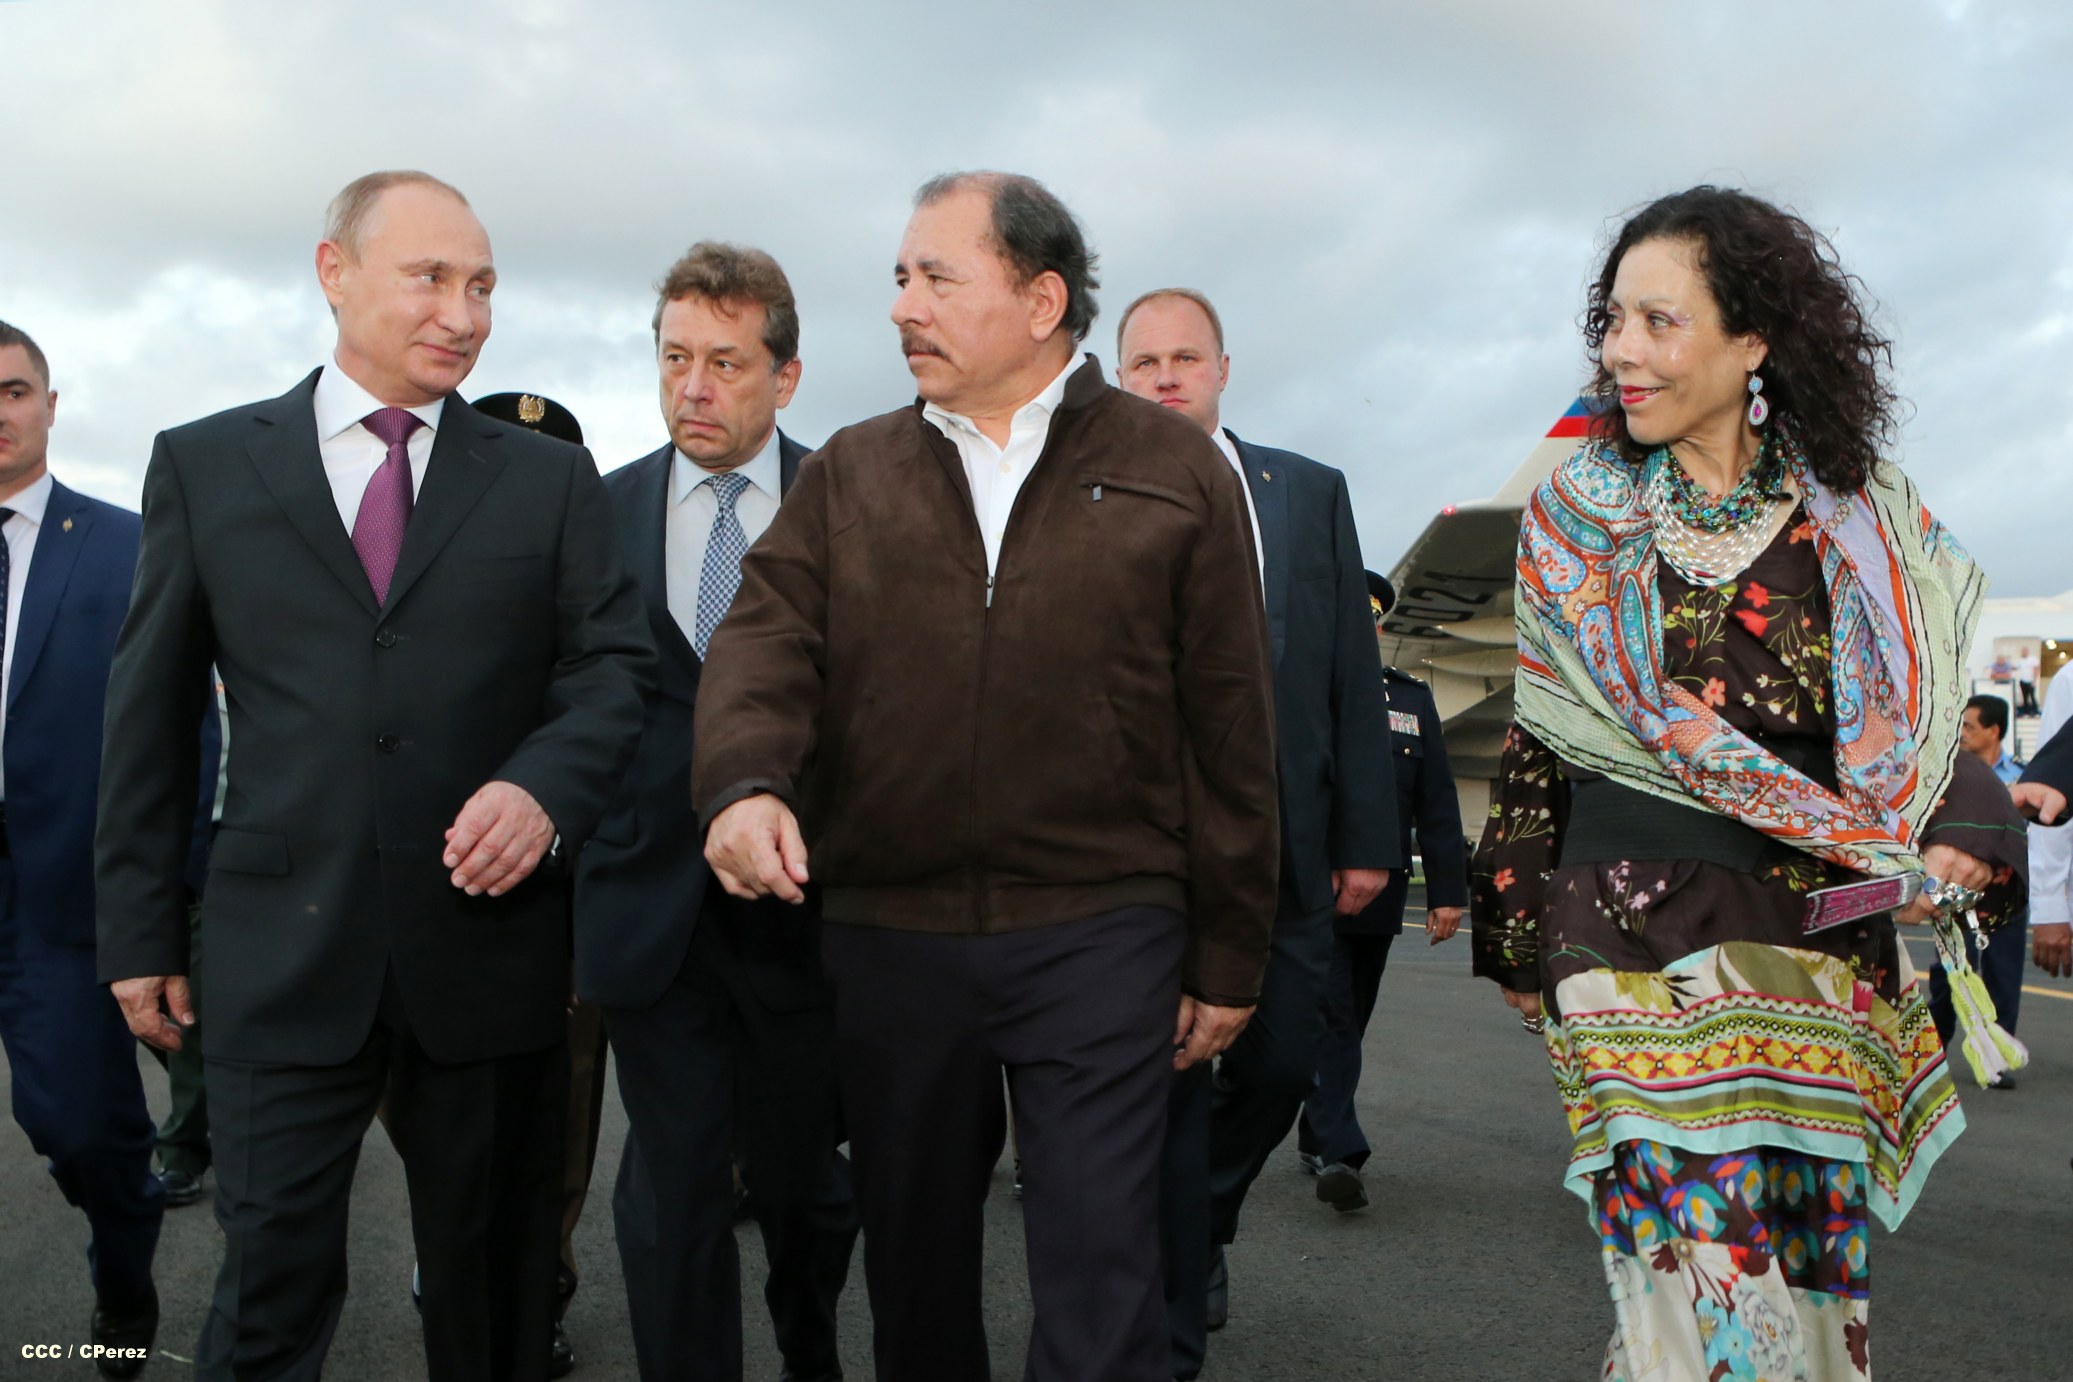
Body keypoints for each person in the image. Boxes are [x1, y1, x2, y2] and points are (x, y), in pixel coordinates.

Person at [693, 171, 1280, 1382]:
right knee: (914, 1275)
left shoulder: (1175, 467)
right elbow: (764, 641)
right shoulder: (851, 472)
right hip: (891, 932)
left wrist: (1229, 952)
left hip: (1102, 923)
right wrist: (744, 781)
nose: (903, 305)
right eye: (900, 278)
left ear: (1041, 299)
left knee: (1104, 1270)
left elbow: (1231, 726)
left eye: (937, 277)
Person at [94, 171, 656, 1382]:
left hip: (489, 952)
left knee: (493, 1295)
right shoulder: (206, 464)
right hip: (280, 954)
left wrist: (545, 788)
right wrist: (139, 929)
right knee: (269, 1285)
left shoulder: (546, 478)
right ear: (333, 271)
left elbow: (614, 668)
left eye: (483, 285)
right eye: (431, 277)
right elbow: (150, 716)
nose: (465, 313)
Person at [1470, 186, 2027, 1381]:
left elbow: (1925, 713)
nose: (1622, 349)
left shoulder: (1863, 517)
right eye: (1613, 319)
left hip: (1815, 936)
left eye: (1660, 320)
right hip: (1624, 933)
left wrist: (1969, 825)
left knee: (1807, 1302)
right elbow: (1546, 730)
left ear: (1754, 341)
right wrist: (1515, 927)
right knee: (1700, 1286)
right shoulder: (1577, 513)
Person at [575, 242, 857, 1382]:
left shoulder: (856, 509)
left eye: (726, 363)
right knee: (674, 1183)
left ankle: (809, 1349)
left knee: (804, 1183)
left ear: (785, 378)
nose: (693, 386)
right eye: (675, 357)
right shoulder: (593, 515)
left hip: (806, 909)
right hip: (651, 910)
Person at [1110, 286, 1397, 1373]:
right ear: (1119, 378)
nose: (1166, 376)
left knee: (1278, 1068)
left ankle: (1204, 1219)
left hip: (1285, 849)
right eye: (1145, 362)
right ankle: (1174, 1294)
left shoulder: (1308, 492)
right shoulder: (1087, 491)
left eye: (1185, 357)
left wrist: (1366, 834)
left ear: (1223, 368)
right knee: (1169, 1082)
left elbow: (1349, 674)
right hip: (1147, 858)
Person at [0, 320, 215, 1379]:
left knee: (82, 1126)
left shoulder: (128, 544)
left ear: (50, 403)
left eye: (12, 390)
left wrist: (176, 892)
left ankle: (124, 1277)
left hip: (67, 891)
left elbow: (185, 723)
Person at [1296, 571, 1467, 1213]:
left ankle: (1316, 1132)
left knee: (1351, 1020)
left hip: (1382, 898)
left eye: (1371, 619)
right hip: (1311, 891)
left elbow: (1436, 801)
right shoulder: (1301, 690)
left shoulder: (1411, 701)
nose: (1362, 629)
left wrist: (1447, 890)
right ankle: (1342, 1153)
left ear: (1380, 625)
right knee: (1333, 1018)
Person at [1925, 695, 2029, 1084]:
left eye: (1969, 726)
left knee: (2003, 973)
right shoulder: (1947, 773)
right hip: (1958, 888)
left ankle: (1997, 1058)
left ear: (1993, 731)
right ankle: (1930, 1054)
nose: (1962, 733)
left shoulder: (2022, 776)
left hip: (2003, 891)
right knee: (1948, 970)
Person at [2015, 645, 2040, 715]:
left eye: (2025, 651)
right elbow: (2015, 668)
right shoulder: (2020, 660)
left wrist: (2034, 680)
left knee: (2032, 696)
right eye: (2023, 651)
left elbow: (2036, 669)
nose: (2024, 653)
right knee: (2024, 697)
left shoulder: (2033, 659)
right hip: (2023, 680)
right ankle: (2026, 711)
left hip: (2031, 680)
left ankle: (2035, 710)